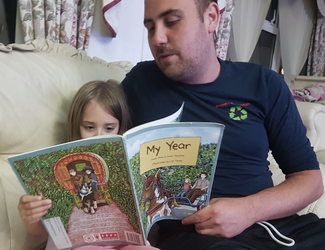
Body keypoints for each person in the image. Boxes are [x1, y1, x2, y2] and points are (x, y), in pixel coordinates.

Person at [121, 0, 325, 249]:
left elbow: (310, 180)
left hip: (279, 228)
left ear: (211, 17)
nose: (158, 38)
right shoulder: (139, 83)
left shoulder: (264, 84)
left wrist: (248, 210)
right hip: (200, 235)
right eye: (150, 28)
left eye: (172, 22)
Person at [17, 80, 158, 250]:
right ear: (77, 125)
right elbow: (39, 232)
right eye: (89, 127)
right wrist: (30, 217)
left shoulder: (125, 165)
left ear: (120, 127)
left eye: (109, 128)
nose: (98, 135)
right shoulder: (55, 165)